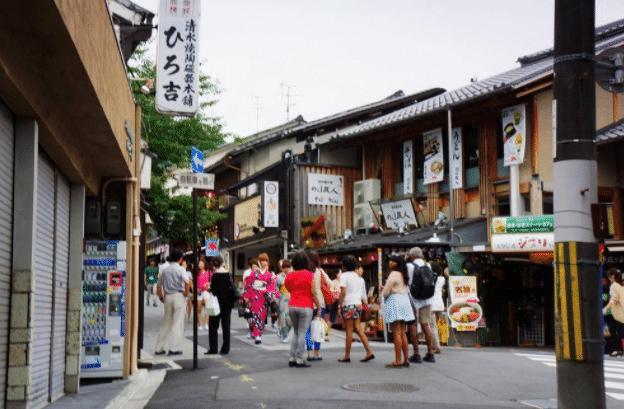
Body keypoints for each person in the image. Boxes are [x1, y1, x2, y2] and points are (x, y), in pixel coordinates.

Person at [285, 251, 322, 368]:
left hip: (292, 305)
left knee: (295, 332)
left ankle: (292, 358)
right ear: (306, 262)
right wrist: (319, 306)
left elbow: (288, 288)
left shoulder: (290, 275)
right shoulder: (309, 275)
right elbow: (314, 292)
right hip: (306, 306)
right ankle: (300, 359)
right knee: (302, 332)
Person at [338, 255, 375, 363]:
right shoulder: (360, 278)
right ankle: (369, 351)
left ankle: (347, 356)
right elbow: (364, 296)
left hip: (348, 304)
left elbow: (343, 292)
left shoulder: (344, 276)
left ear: (344, 266)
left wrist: (340, 305)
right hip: (358, 305)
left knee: (349, 330)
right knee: (358, 328)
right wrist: (366, 306)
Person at [154, 249, 190, 356]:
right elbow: (187, 282)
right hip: (179, 296)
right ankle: (173, 348)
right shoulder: (181, 269)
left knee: (166, 323)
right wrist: (186, 293)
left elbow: (159, 285)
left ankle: (159, 348)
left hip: (168, 297)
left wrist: (161, 296)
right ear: (180, 259)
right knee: (177, 323)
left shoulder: (164, 270)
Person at [382, 254, 415, 368]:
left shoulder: (393, 274)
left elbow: (385, 292)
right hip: (404, 301)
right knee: (402, 332)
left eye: (393, 261)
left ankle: (397, 360)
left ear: (397, 263)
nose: (390, 263)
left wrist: (384, 291)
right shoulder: (402, 274)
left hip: (395, 301)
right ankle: (406, 359)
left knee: (396, 332)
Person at [406, 247, 436, 363]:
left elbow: (406, 280)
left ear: (412, 256)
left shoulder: (409, 266)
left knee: (412, 325)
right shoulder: (428, 265)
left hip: (413, 298)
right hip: (427, 298)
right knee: (426, 324)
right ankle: (430, 353)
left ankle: (416, 354)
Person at [243, 255, 278, 344]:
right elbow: (249, 285)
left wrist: (271, 295)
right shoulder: (254, 274)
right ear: (259, 262)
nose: (263, 262)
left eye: (265, 260)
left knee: (262, 316)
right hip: (254, 297)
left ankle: (258, 333)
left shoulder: (270, 275)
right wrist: (247, 297)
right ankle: (257, 336)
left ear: (267, 262)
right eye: (262, 260)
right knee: (255, 315)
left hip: (264, 298)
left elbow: (272, 287)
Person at [206, 256, 237, 355]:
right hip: (227, 304)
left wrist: (208, 287)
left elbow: (213, 291)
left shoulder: (215, 275)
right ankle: (225, 348)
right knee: (226, 326)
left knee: (213, 325)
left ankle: (213, 349)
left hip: (216, 304)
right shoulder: (228, 274)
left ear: (215, 264)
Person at [305, 250, 332, 361]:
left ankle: (309, 353)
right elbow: (330, 284)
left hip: (307, 303)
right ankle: (317, 352)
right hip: (320, 302)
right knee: (318, 328)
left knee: (308, 330)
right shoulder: (320, 271)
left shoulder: (304, 271)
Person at [604, 268, 624, 357]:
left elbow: (613, 299)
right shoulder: (620, 285)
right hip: (619, 313)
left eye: (608, 276)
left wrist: (605, 309)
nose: (608, 278)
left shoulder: (614, 286)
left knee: (615, 330)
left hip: (619, 314)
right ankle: (618, 349)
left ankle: (617, 349)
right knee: (615, 330)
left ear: (612, 276)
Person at [429, 263, 447, 354]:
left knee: (432, 327)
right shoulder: (442, 279)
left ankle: (437, 346)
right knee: (436, 325)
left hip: (431, 305)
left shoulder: (429, 278)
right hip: (440, 305)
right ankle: (433, 344)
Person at [276, 259, 293, 343]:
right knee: (283, 317)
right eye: (284, 267)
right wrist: (277, 299)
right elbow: (276, 289)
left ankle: (284, 332)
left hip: (292, 298)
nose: (286, 269)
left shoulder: (293, 276)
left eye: (287, 267)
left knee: (290, 319)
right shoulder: (278, 277)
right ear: (282, 268)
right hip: (282, 298)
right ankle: (285, 335)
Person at [197, 258, 213, 331]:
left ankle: (206, 324)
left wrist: (208, 284)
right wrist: (196, 289)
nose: (199, 265)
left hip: (206, 292)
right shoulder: (197, 273)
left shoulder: (209, 273)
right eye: (199, 264)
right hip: (199, 292)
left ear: (204, 264)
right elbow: (194, 283)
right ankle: (200, 324)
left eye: (201, 263)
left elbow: (212, 282)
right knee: (199, 309)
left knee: (208, 308)